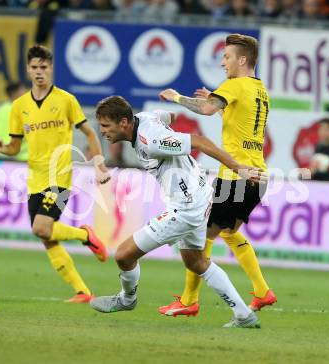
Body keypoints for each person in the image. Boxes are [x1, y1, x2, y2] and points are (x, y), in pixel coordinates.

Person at [90, 95, 266, 328]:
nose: (102, 131)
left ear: (124, 122)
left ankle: (127, 299)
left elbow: (200, 142)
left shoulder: (151, 140)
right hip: (200, 195)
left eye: (105, 125)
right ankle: (244, 315)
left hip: (186, 206)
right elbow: (168, 115)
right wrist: (168, 126)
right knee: (195, 261)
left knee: (123, 255)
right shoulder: (145, 118)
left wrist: (239, 168)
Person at [158, 33, 276, 317]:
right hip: (257, 177)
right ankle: (262, 292)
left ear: (242, 59)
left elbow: (207, 109)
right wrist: (219, 104)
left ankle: (189, 301)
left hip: (237, 177)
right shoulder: (259, 90)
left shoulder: (235, 85)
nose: (223, 63)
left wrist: (177, 98)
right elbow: (237, 121)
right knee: (230, 233)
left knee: (198, 236)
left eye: (226, 57)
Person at [0, 45, 110, 303]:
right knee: (46, 237)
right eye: (34, 67)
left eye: (43, 67)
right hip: (34, 179)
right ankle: (83, 292)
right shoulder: (19, 106)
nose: (39, 72)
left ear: (51, 68)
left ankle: (85, 235)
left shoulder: (66, 100)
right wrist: (3, 149)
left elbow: (90, 133)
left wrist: (99, 164)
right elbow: (15, 146)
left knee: (41, 227)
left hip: (60, 177)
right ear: (28, 70)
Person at [0, 81, 28, 161]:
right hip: (20, 156)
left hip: (2, 153)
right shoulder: (19, 110)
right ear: (14, 94)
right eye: (23, 92)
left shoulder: (3, 108)